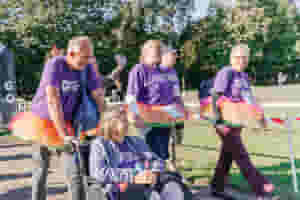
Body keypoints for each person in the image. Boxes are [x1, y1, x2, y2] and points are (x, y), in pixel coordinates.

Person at [11, 36, 105, 200]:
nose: (88, 61)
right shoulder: (55, 64)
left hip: (69, 124)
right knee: (40, 171)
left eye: (90, 57)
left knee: (75, 172)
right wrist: (63, 135)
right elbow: (52, 99)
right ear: (71, 53)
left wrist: (106, 121)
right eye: (84, 57)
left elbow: (98, 95)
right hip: (43, 122)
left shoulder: (87, 67)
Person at [211, 44, 274, 200]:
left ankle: (216, 187)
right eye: (237, 57)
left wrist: (260, 118)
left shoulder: (244, 77)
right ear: (231, 58)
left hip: (237, 123)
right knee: (241, 155)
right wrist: (218, 121)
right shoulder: (226, 73)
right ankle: (261, 189)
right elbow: (215, 96)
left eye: (244, 57)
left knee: (227, 156)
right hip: (225, 123)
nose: (241, 60)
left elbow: (249, 101)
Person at [89, 108, 191, 200]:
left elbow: (156, 160)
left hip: (147, 182)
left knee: (172, 186)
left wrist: (154, 172)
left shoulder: (135, 141)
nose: (127, 124)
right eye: (123, 121)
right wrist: (134, 177)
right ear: (110, 124)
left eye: (126, 120)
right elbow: (98, 173)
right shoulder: (99, 145)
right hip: (121, 187)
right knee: (152, 196)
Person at [126, 40, 179, 165]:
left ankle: (160, 181)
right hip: (147, 120)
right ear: (146, 53)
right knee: (150, 155)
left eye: (160, 53)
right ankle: (149, 181)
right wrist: (134, 116)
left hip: (164, 119)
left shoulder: (163, 70)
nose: (159, 56)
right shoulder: (139, 69)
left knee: (162, 155)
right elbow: (131, 97)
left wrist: (176, 118)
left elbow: (169, 97)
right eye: (156, 53)